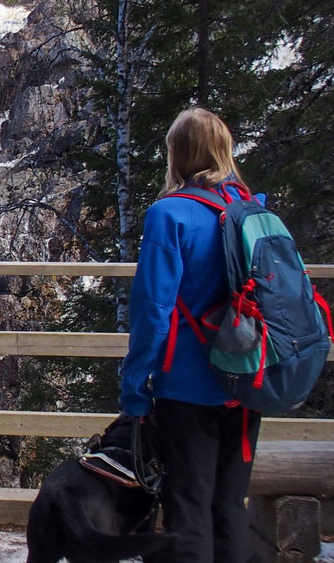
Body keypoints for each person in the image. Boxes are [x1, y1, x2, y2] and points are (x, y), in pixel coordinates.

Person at [120, 107, 262, 563]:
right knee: (228, 505)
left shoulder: (170, 214)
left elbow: (153, 309)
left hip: (188, 386)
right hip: (245, 383)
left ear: (178, 154)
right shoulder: (252, 209)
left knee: (188, 506)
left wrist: (134, 385)